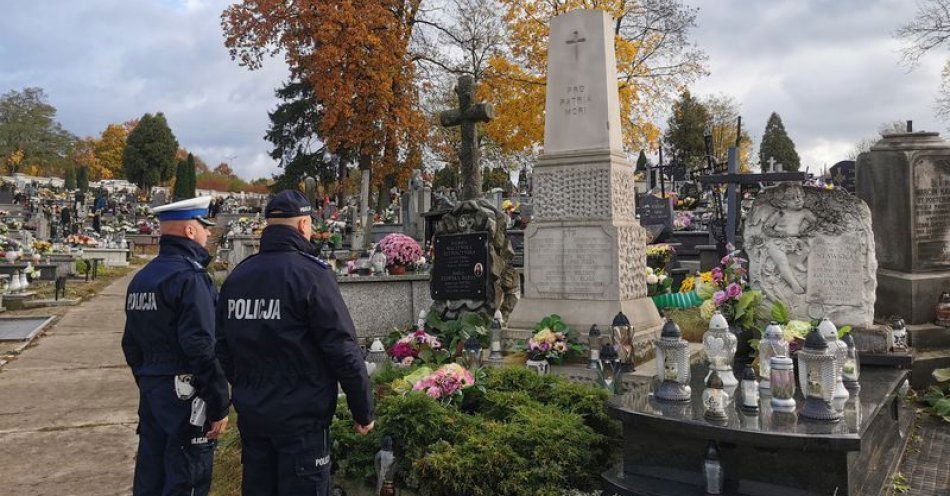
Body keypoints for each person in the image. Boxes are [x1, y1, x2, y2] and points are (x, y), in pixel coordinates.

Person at [217, 190, 374, 496]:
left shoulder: (238, 277)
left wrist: (248, 386)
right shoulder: (311, 275)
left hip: (254, 416)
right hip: (302, 422)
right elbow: (342, 348)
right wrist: (363, 410)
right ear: (303, 225)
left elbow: (221, 345)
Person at [121, 196, 230, 496]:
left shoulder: (142, 279)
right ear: (189, 230)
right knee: (186, 481)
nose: (208, 234)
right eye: (204, 227)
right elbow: (200, 347)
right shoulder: (191, 279)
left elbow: (130, 344)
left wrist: (149, 380)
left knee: (151, 479)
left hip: (153, 394)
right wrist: (219, 403)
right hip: (186, 399)